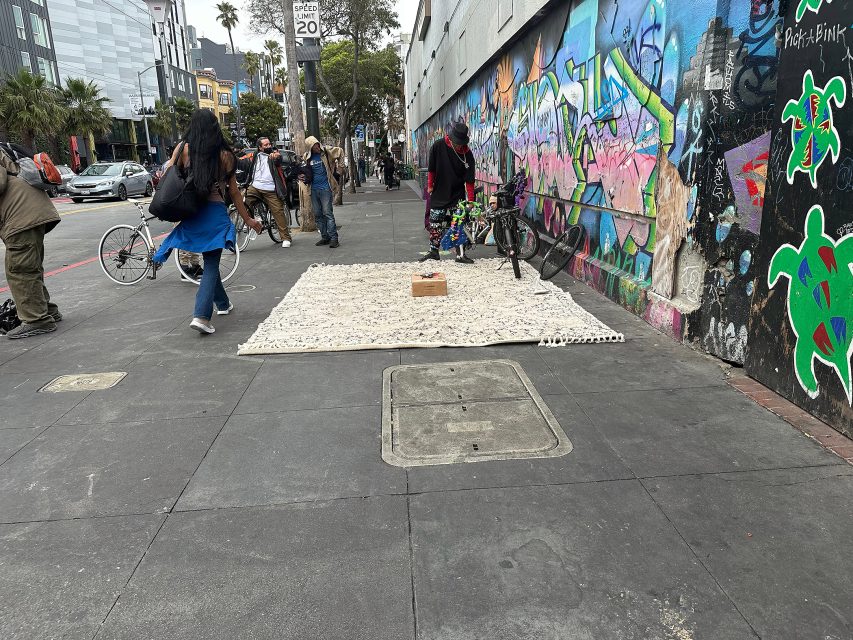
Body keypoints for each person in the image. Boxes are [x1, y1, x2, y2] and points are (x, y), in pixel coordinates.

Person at [153, 109, 261, 335]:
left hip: (191, 213)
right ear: (215, 128)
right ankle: (201, 316)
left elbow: (167, 177)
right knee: (211, 263)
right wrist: (249, 220)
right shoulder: (225, 155)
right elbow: (235, 194)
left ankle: (223, 304)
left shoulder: (182, 149)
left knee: (211, 262)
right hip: (214, 213)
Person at [0, 142, 62, 338]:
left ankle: (37, 320)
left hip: (21, 216)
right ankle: (47, 310)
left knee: (19, 270)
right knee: (30, 267)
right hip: (32, 211)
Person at [420, 121, 476, 264]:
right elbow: (431, 169)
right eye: (457, 143)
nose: (459, 146)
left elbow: (469, 181)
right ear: (451, 138)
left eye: (461, 143)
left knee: (458, 223)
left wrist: (470, 201)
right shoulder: (438, 146)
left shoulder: (467, 154)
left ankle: (460, 254)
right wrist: (430, 186)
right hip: (439, 191)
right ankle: (434, 251)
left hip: (457, 194)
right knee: (435, 223)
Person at [243, 137, 292, 247]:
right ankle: (251, 222)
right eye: (265, 145)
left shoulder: (274, 155)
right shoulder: (255, 155)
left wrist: (276, 156)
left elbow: (278, 159)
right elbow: (245, 163)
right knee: (244, 201)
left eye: (269, 144)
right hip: (255, 186)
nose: (269, 146)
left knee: (278, 211)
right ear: (260, 147)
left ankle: (285, 237)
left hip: (270, 189)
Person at [300, 136, 342, 248]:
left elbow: (340, 151)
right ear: (310, 148)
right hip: (313, 189)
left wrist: (340, 167)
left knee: (327, 213)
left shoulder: (326, 152)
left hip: (325, 188)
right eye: (314, 146)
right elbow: (304, 170)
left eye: (317, 144)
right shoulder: (307, 157)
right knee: (318, 214)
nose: (317, 147)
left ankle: (334, 238)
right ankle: (325, 237)